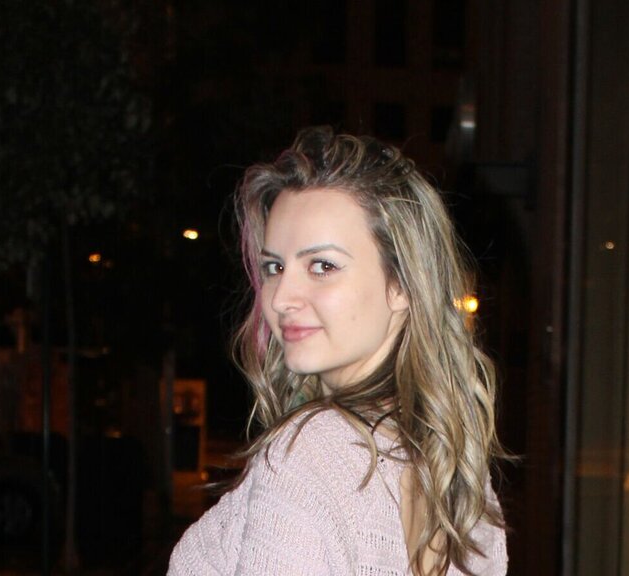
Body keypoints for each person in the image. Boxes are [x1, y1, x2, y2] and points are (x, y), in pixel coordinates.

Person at [168, 127, 508, 575]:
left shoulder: (312, 456)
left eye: (323, 266)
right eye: (274, 266)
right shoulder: (456, 470)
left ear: (402, 284)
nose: (281, 297)